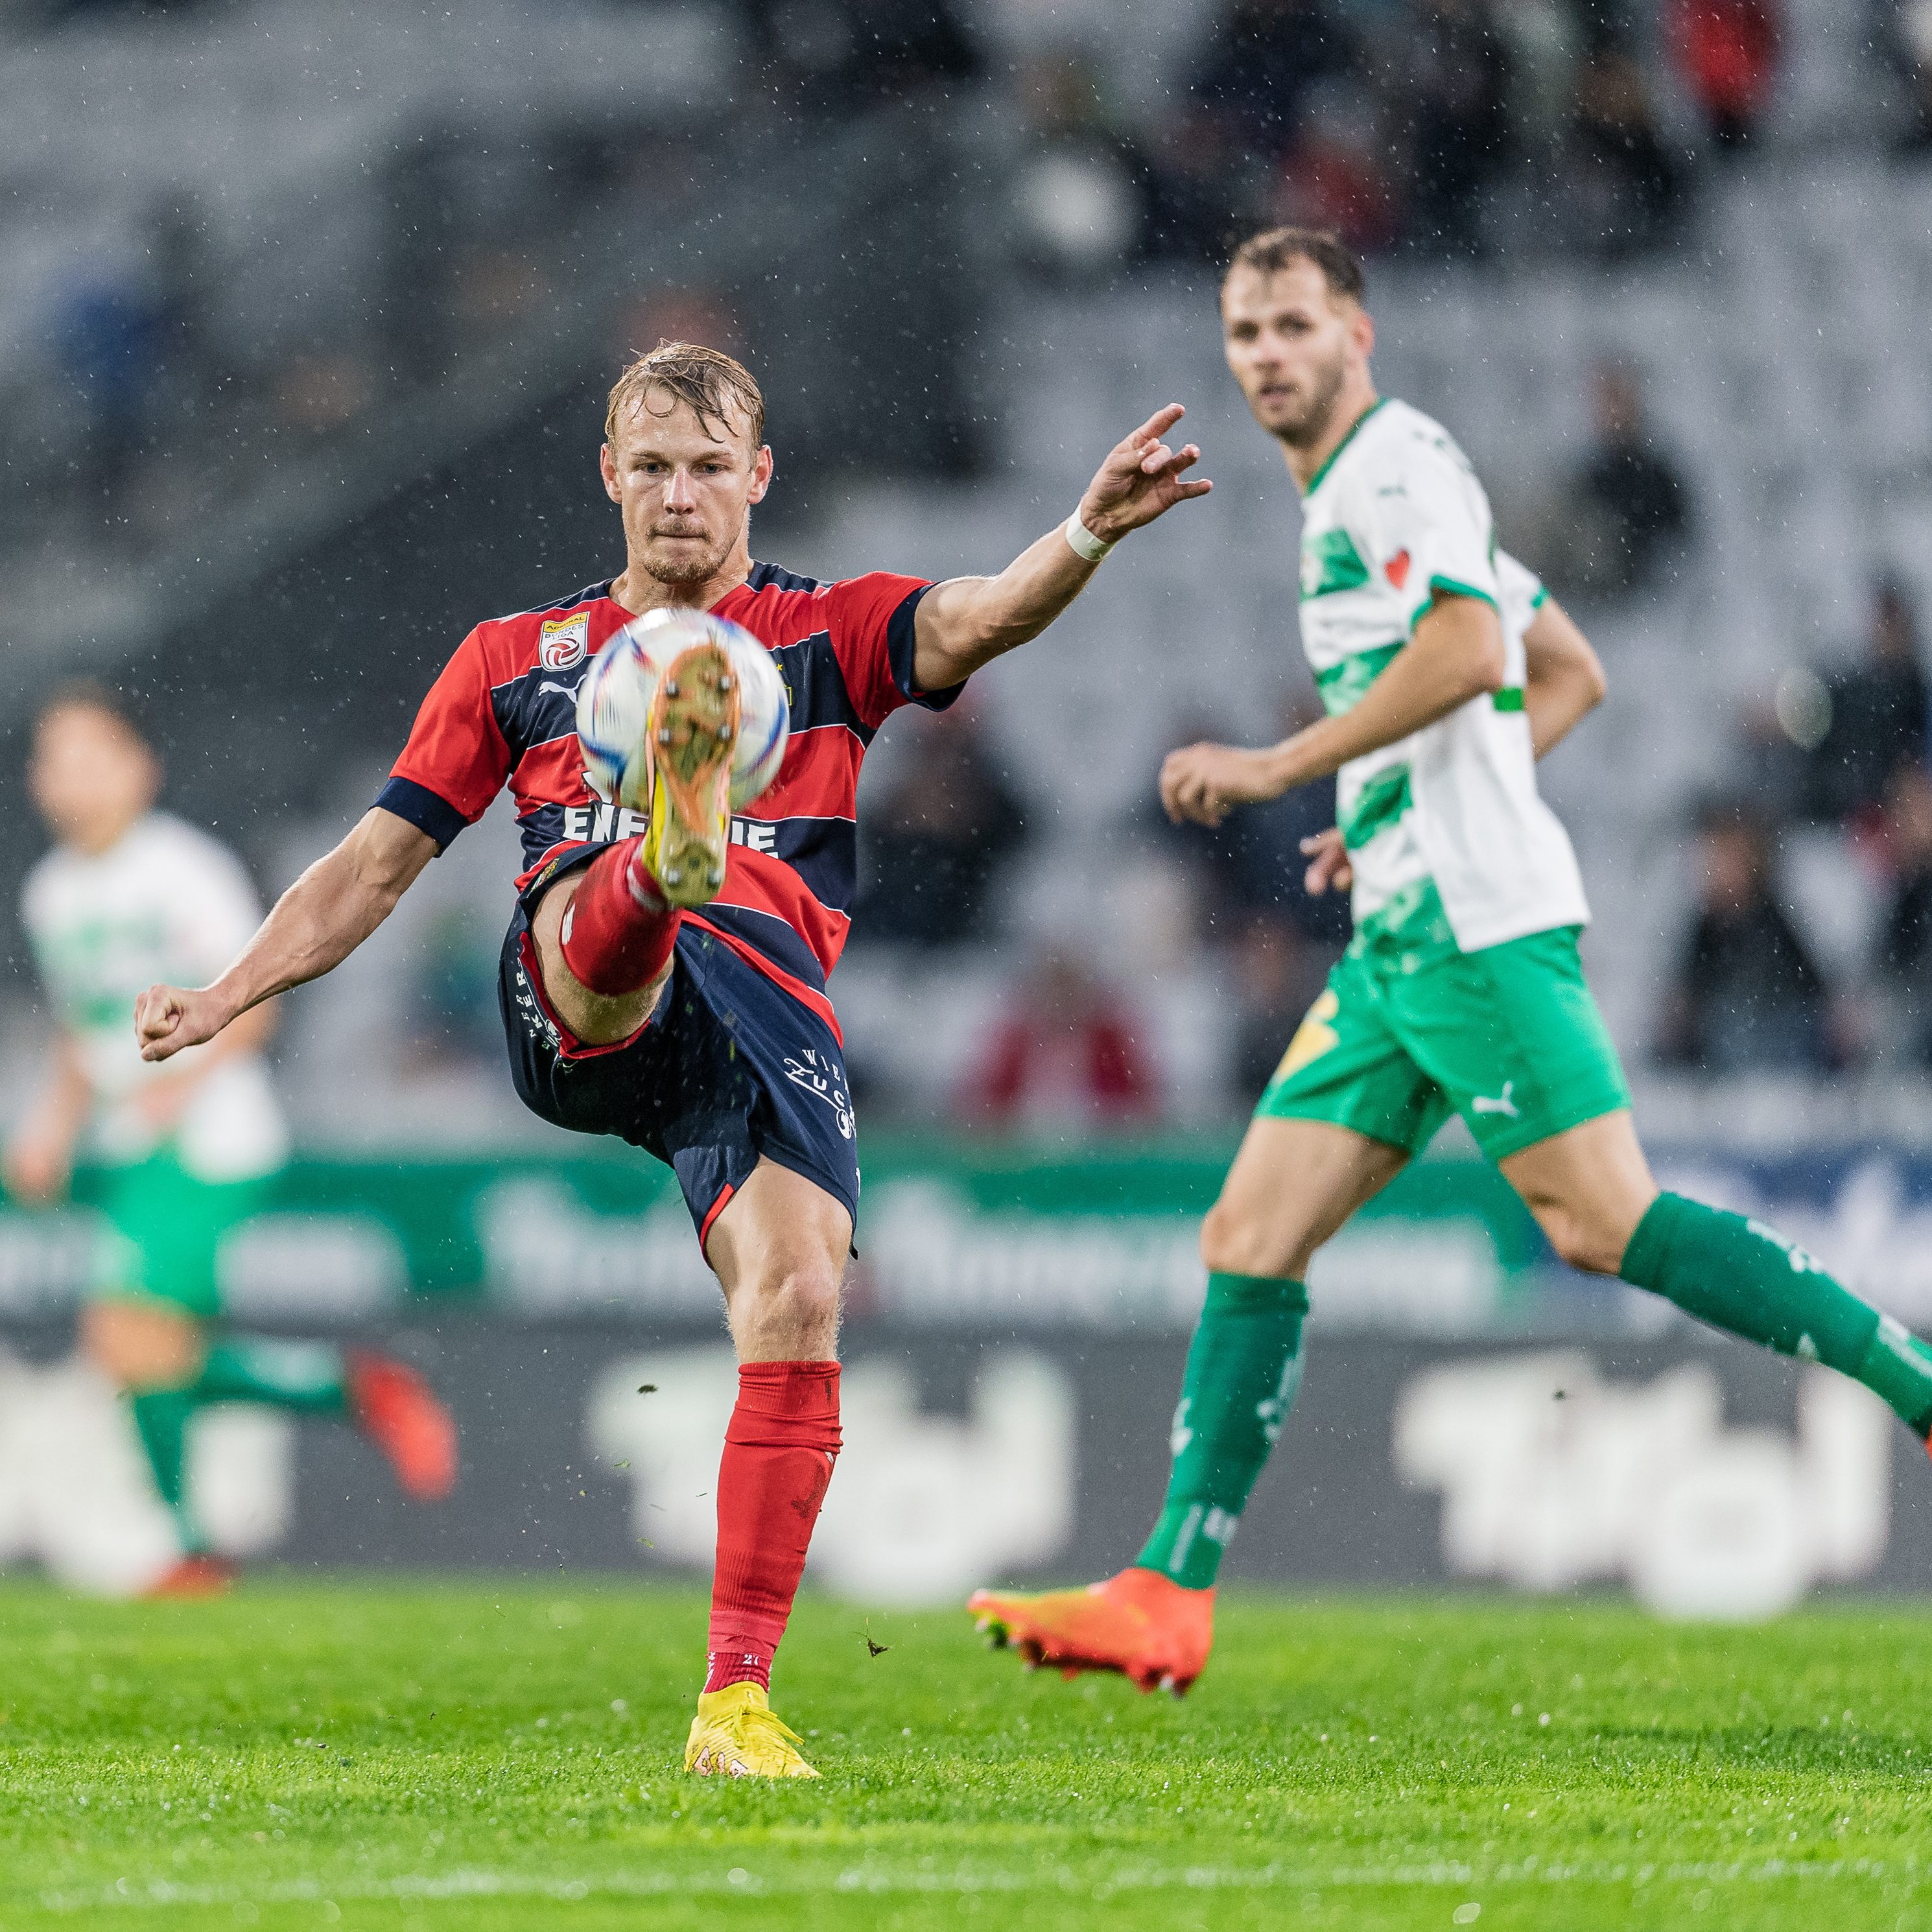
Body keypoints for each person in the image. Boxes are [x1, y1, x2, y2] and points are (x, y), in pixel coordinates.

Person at [131, 341, 1209, 1775]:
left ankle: (735, 1705)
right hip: (581, 996)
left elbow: (976, 615)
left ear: (758, 478)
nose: (680, 495)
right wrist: (230, 989)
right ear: (609, 479)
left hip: (755, 1020)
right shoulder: (516, 659)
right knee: (608, 924)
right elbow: (372, 865)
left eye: (709, 468)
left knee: (800, 1289)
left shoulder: (826, 632)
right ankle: (654, 858)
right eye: (652, 467)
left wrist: (1080, 531)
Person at [966, 226, 1932, 1696]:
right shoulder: (1375, 487)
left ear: (1358, 334)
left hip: (1474, 932)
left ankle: (1909, 1378)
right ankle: (1167, 1588)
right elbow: (1569, 671)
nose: (1265, 354)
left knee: (1603, 1221)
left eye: (1293, 322)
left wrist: (1286, 760)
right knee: (1246, 1233)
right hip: (1399, 937)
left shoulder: (1391, 469)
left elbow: (1472, 644)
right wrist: (1392, 805)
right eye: (1242, 332)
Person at [5, 687, 456, 1599]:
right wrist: (49, 1128)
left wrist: (180, 1090)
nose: (72, 779)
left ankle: (193, 1545)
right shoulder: (50, 894)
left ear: (140, 768)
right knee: (146, 1349)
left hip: (212, 1137)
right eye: (55, 761)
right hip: (134, 1146)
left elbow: (251, 1001)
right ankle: (350, 1391)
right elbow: (80, 1029)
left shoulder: (182, 869)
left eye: (92, 755)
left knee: (122, 1327)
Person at [1656, 805, 1832, 1073]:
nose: (1712, 870)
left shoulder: (1772, 925)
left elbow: (1810, 996)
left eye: (1724, 858)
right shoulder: (1706, 928)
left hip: (1771, 1056)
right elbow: (1684, 1000)